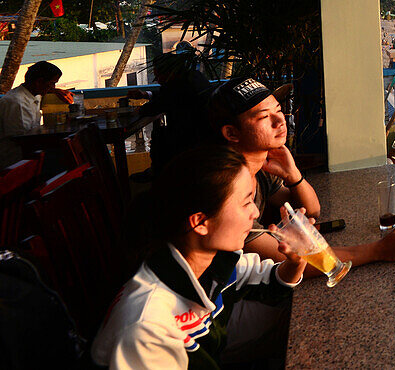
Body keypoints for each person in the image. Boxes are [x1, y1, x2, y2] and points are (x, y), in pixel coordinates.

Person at [91, 146, 307, 368]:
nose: (255, 213)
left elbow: (268, 281)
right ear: (200, 222)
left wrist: (297, 260)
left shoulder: (211, 259)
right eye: (246, 202)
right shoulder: (147, 328)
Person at [208, 78, 395, 279]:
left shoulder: (260, 171)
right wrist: (379, 250)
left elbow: (311, 211)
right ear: (232, 133)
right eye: (264, 117)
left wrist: (293, 175)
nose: (280, 121)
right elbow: (288, 262)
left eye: (279, 110)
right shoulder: (227, 189)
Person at [128, 48, 212, 181]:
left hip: (191, 137)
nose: (158, 80)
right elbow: (167, 97)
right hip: (205, 133)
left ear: (168, 71)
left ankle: (159, 173)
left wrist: (135, 111)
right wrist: (146, 94)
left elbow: (155, 107)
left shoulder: (176, 85)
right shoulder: (193, 76)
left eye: (158, 75)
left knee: (159, 136)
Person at [0, 61, 72, 167]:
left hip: (29, 153)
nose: (53, 87)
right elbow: (24, 140)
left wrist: (54, 91)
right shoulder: (16, 102)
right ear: (39, 82)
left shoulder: (35, 95)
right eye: (51, 83)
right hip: (15, 160)